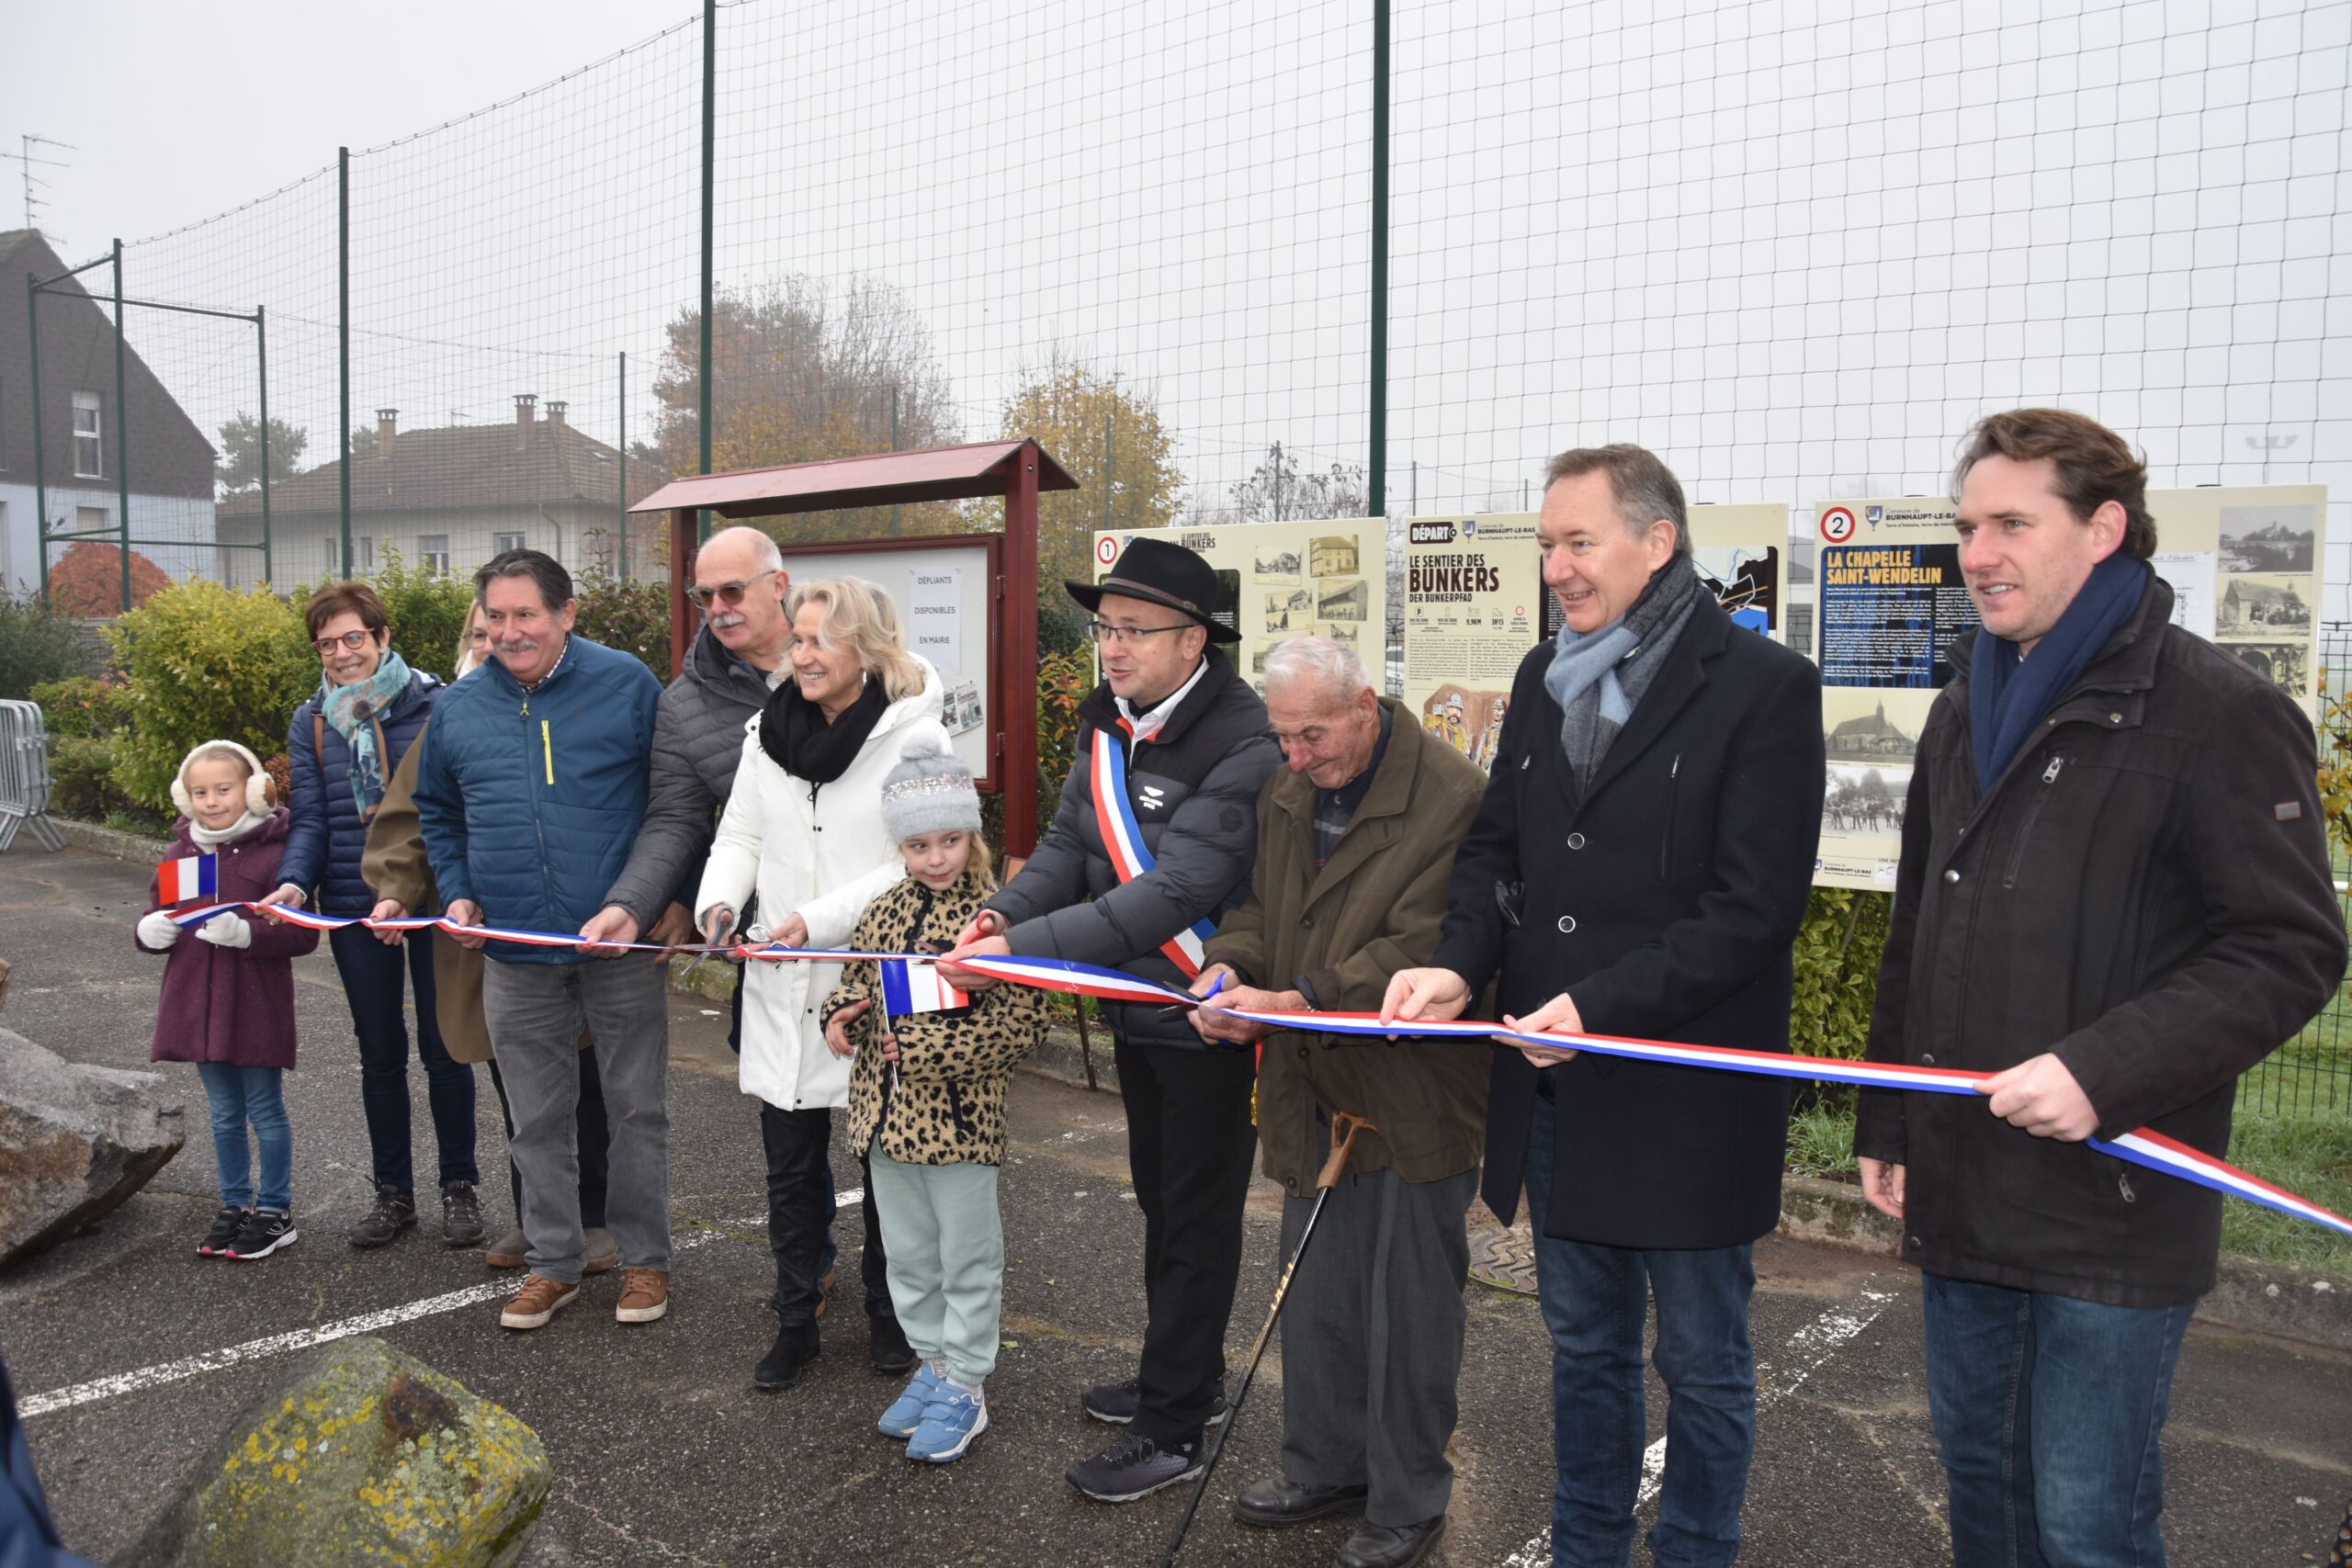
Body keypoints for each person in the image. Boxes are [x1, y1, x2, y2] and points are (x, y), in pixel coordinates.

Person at [1854, 409, 2346, 1567]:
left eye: (2011, 524)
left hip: (2114, 1198)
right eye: (1967, 527)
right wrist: (1890, 1118)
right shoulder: (1961, 709)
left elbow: (2286, 948)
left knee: (2086, 1524)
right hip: (1966, 1189)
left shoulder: (2221, 713)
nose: (1977, 554)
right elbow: (1918, 930)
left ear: (2105, 528)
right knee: (1982, 1494)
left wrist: (2100, 1071)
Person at [1383, 444, 1825, 1568]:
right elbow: (1495, 855)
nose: (1556, 569)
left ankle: (1695, 1549)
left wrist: (1600, 1003)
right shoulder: (1545, 675)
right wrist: (1458, 964)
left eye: (1579, 542)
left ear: (1656, 542)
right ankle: (1585, 1546)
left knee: (1703, 1363)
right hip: (1557, 1091)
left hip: (1686, 1096)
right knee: (1583, 1347)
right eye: (1547, 545)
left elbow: (1754, 910)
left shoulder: (1763, 687)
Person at [941, 537, 1281, 1504]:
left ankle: (1173, 1427)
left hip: (1208, 1017)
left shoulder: (1245, 742)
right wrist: (1004, 915)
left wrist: (1018, 950)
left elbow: (1176, 892)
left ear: (1194, 640)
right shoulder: (1109, 719)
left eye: (1135, 630)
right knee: (1161, 1205)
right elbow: (1066, 842)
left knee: (1197, 1220)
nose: (1113, 648)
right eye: (1105, 629)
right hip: (1136, 1009)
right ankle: (1181, 1374)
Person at [1186, 637, 1487, 1568]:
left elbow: (1425, 945)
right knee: (1314, 1293)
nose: (1295, 757)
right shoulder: (1289, 788)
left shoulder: (1452, 795)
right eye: (1282, 737)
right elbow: (1257, 909)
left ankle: (1407, 1501)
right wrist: (1227, 968)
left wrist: (1301, 996)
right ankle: (1323, 1466)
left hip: (1412, 1094)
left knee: (1409, 1311)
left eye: (1312, 735)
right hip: (1312, 1084)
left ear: (1365, 706)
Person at [695, 578, 946, 1389]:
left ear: (865, 649)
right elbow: (741, 832)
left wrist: (813, 919)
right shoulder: (765, 730)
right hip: (780, 971)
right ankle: (796, 1316)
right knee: (790, 1165)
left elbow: (914, 860)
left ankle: (891, 1311)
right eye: (796, 639)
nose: (797, 655)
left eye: (816, 641)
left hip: (871, 978)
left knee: (887, 1162)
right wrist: (720, 903)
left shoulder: (917, 735)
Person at [413, 548, 669, 1332]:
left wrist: (667, 899)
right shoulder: (459, 706)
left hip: (618, 945)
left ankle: (645, 1258)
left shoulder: (627, 684)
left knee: (636, 1110)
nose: (509, 631)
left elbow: (675, 801)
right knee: (534, 1119)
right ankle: (554, 1262)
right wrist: (457, 889)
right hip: (512, 951)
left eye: (525, 613)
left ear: (566, 612)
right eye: (495, 616)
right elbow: (437, 812)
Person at [362, 602, 617, 1276]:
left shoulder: (584, 705)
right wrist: (395, 888)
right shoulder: (451, 719)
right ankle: (539, 1215)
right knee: (518, 1086)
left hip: (578, 931)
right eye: (478, 633)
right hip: (485, 941)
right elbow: (413, 818)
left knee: (588, 1081)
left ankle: (597, 1215)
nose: (492, 642)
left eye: (505, 629)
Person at [818, 737, 1048, 1463]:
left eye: (950, 839)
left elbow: (1022, 1021)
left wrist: (921, 1050)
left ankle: (968, 1385)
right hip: (885, 1126)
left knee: (967, 1258)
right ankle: (935, 1363)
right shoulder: (883, 911)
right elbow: (857, 980)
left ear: (972, 835)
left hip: (960, 1129)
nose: (936, 857)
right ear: (901, 846)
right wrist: (841, 1012)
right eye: (919, 845)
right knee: (909, 1257)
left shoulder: (995, 922)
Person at [263, 581, 479, 1252]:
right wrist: (294, 882)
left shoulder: (436, 705)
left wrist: (423, 890)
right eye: (327, 643)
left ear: (382, 637)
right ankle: (393, 1194)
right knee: (379, 1052)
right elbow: (311, 819)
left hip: (433, 902)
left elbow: (452, 811)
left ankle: (460, 1187)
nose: (342, 653)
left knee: (445, 1048)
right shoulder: (312, 721)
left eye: (353, 637)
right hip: (353, 904)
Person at [580, 525, 788, 1020]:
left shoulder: (850, 660)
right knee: (769, 1062)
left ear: (778, 585)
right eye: (705, 595)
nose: (718, 608)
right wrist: (631, 906)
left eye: (732, 590)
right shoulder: (683, 705)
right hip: (770, 930)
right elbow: (676, 820)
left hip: (873, 919)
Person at [135, 740, 322, 1261]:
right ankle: (235, 1203)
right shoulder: (180, 854)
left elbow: (303, 933)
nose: (211, 801)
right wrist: (149, 931)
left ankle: (275, 1210)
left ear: (255, 791)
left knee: (264, 1109)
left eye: (223, 789)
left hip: (256, 1006)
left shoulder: (278, 855)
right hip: (197, 1007)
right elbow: (159, 914)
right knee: (222, 1113)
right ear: (184, 797)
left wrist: (247, 935)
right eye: (200, 792)